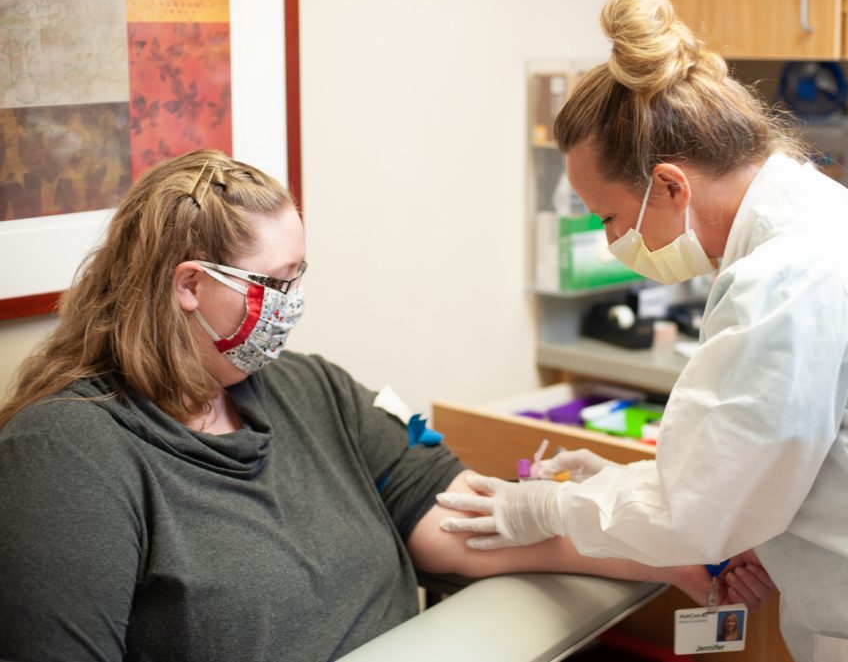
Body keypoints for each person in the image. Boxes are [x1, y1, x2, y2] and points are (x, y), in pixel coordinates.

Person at [0, 149, 774, 662]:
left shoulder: (312, 388)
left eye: (298, 277)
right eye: (275, 283)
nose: (291, 305)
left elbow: (467, 523)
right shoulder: (68, 455)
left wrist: (673, 549)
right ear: (189, 285)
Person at [437, 0, 848, 662]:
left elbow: (697, 512)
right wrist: (628, 480)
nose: (610, 241)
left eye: (608, 217)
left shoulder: (790, 276)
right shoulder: (808, 218)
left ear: (670, 185)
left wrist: (540, 508)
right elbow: (760, 462)